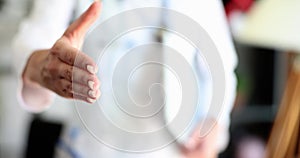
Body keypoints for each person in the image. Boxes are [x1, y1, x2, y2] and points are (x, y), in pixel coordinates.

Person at [12, 0, 237, 157]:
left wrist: (215, 122)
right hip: (89, 148)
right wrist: (42, 66)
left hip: (169, 150)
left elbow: (221, 65)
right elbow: (34, 40)